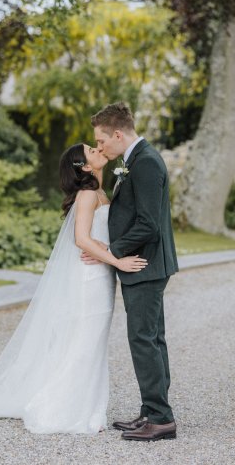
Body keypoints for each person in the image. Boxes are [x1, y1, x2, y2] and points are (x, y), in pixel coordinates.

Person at [0, 142, 146, 434]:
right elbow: (81, 239)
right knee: (85, 342)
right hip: (89, 278)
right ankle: (59, 410)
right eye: (92, 150)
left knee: (92, 342)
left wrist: (107, 249)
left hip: (99, 274)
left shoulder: (100, 192)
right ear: (86, 167)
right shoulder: (89, 194)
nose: (98, 149)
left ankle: (90, 409)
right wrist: (118, 261)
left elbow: (95, 236)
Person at [83, 101, 179, 442]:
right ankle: (151, 411)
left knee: (143, 339)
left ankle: (161, 418)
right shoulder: (136, 160)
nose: (100, 147)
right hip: (146, 263)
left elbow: (149, 225)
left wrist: (112, 251)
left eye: (102, 140)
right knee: (152, 337)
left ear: (119, 133)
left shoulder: (146, 162)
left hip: (144, 263)